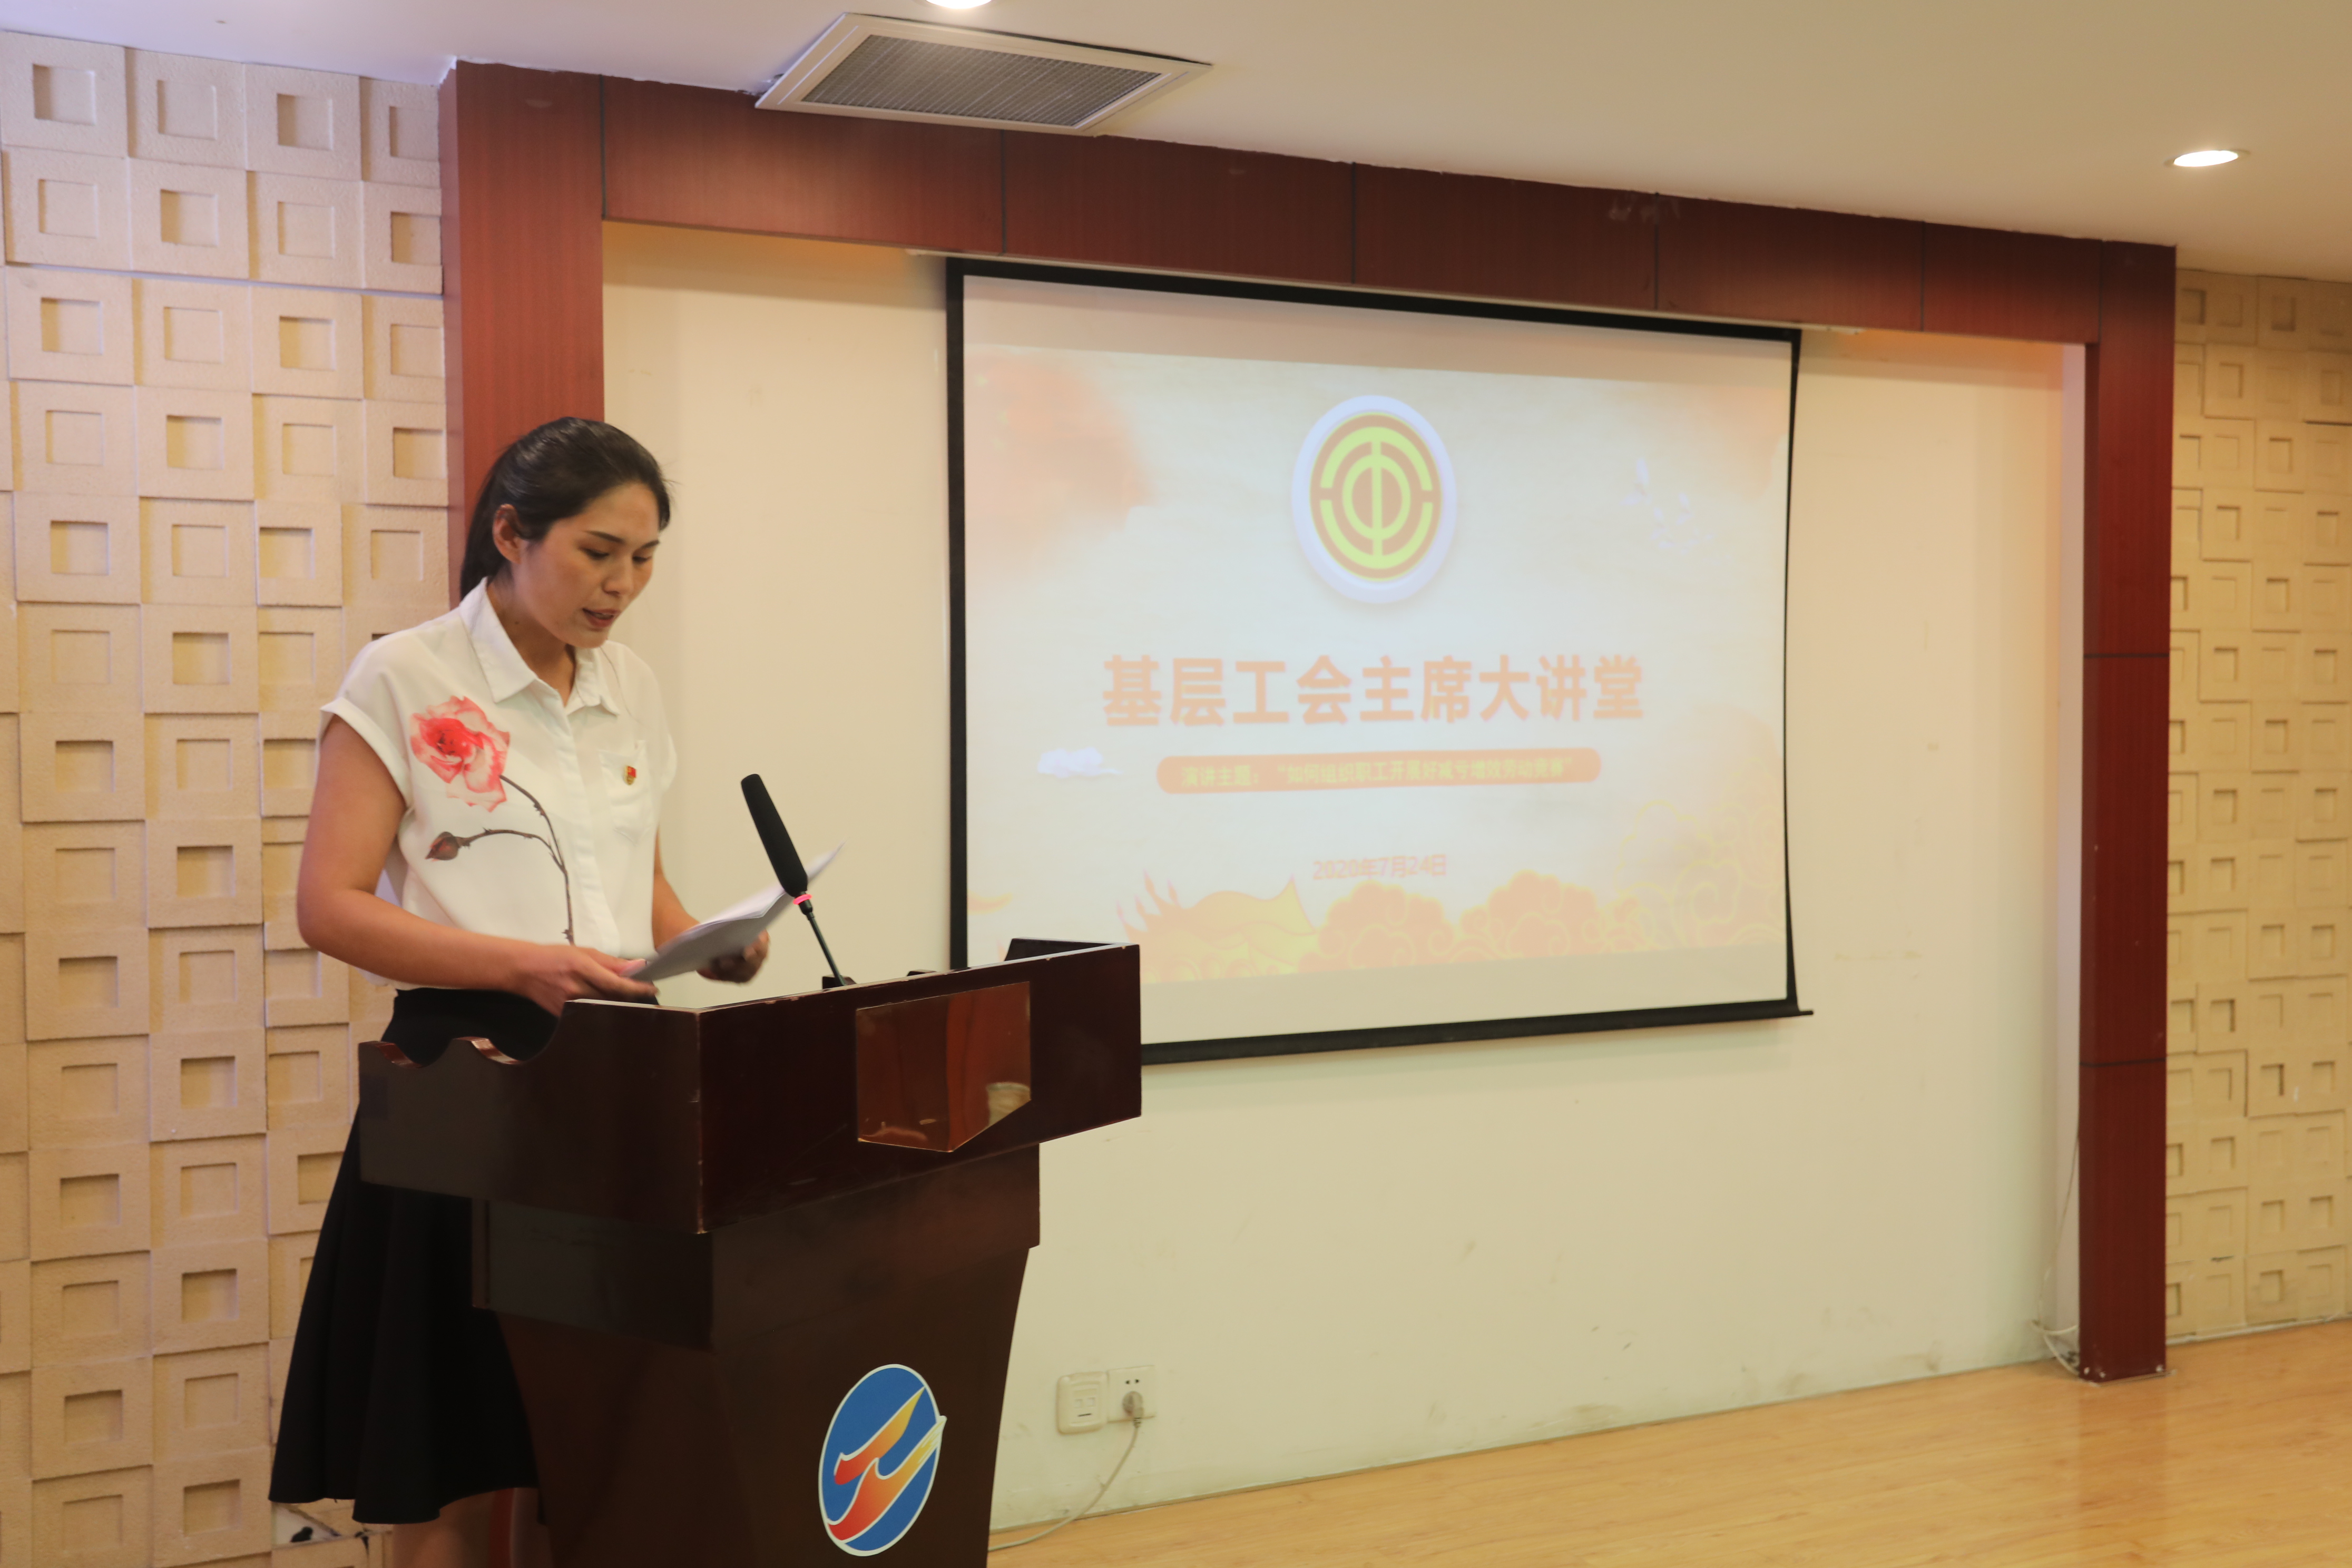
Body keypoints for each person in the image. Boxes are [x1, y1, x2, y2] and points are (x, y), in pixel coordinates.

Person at [267, 417, 769, 1567]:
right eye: (599, 552)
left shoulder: (630, 684)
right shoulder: (407, 675)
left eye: (644, 559)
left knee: (596, 1429)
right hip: (467, 1086)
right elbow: (329, 907)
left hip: (621, 1077)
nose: (623, 585)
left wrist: (704, 942)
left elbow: (633, 878)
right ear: (511, 533)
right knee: (452, 1441)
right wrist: (522, 964)